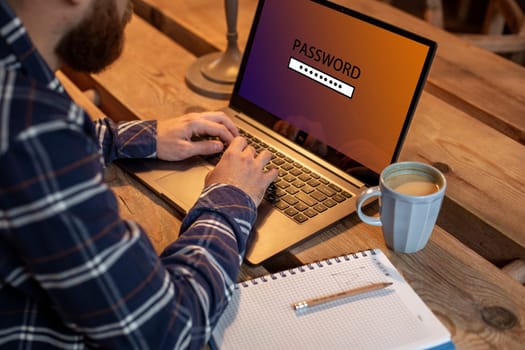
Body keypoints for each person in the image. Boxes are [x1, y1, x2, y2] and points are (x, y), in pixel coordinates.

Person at [0, 0, 278, 348]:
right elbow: (167, 331)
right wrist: (233, 194)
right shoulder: (31, 127)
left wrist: (133, 136)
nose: (129, 7)